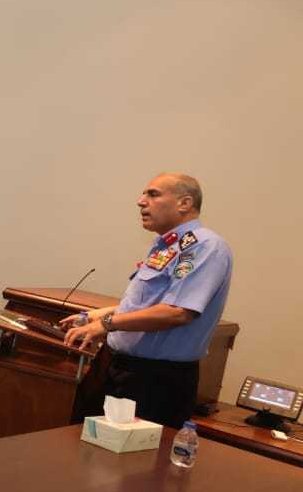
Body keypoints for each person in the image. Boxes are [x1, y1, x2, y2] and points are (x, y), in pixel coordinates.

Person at [62, 173, 233, 428]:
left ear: (184, 203)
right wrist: (97, 315)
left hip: (154, 380)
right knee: (83, 441)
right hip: (117, 367)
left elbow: (177, 312)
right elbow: (148, 304)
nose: (140, 201)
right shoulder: (167, 245)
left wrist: (107, 324)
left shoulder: (204, 247)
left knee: (133, 454)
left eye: (153, 194)